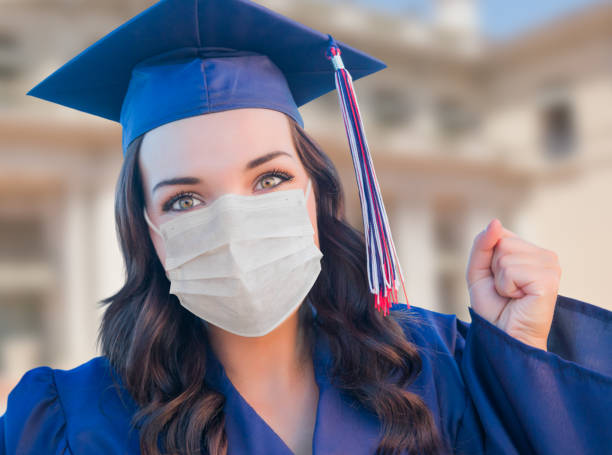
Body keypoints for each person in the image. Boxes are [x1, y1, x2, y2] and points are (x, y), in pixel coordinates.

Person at [2, 0, 611, 454]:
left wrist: (519, 361)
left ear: (318, 195)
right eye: (185, 199)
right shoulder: (73, 423)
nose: (234, 222)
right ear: (151, 233)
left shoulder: (434, 368)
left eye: (268, 180)